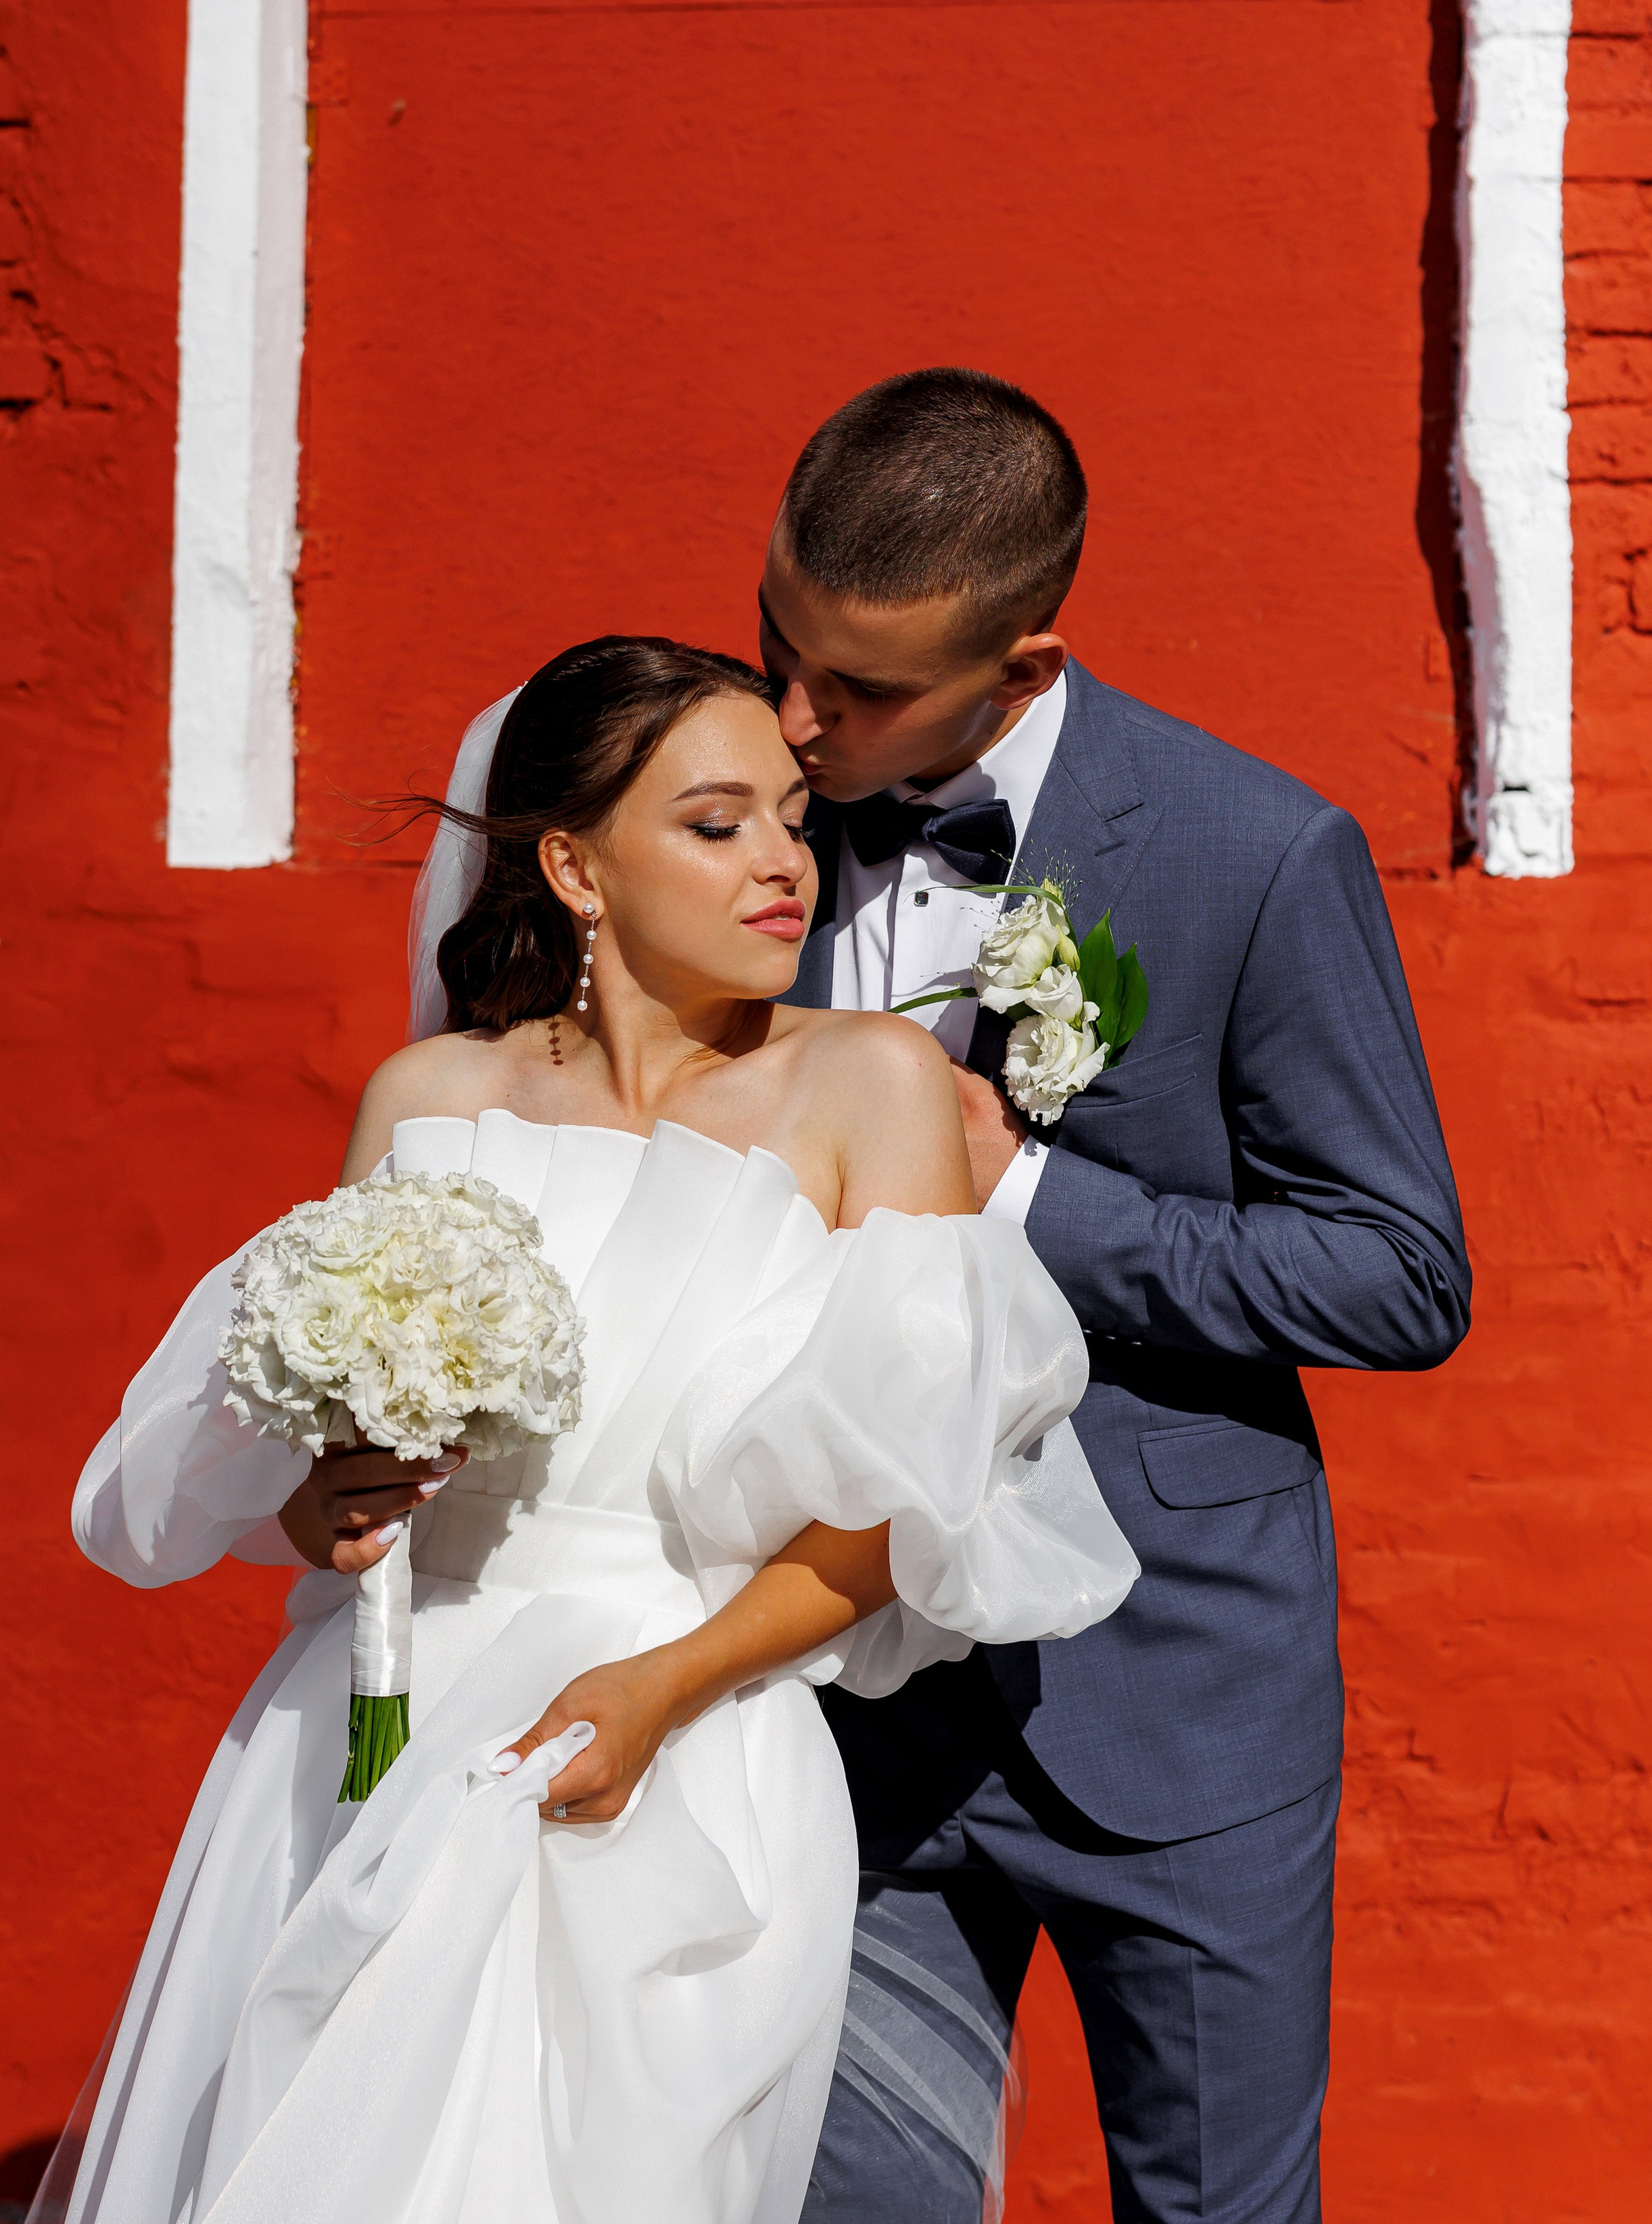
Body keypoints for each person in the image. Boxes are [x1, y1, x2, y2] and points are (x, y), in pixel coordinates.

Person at [60, 637, 1137, 2224]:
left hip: (673, 1755)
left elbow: (899, 1522)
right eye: (717, 825)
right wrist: (335, 1505)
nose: (782, 861)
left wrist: (655, 1691)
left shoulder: (866, 1086)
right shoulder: (427, 1095)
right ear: (573, 863)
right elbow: (313, 1480)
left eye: (789, 816)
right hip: (369, 1730)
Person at [761, 369, 1473, 2224]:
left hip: (1177, 1695)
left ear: (1025, 656)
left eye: (858, 692)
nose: (793, 719)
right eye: (784, 651)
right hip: (836, 1679)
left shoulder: (1256, 854)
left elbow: (1401, 1274)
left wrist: (1033, 1194)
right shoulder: (735, 825)